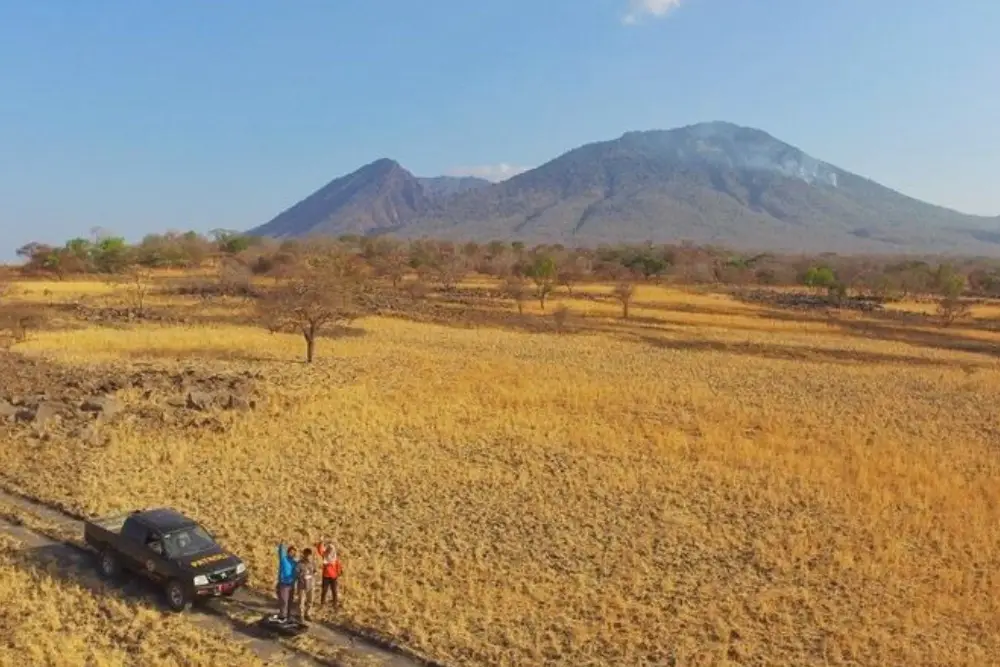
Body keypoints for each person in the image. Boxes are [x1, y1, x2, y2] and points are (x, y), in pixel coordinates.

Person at [315, 538, 343, 608]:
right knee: (324, 590)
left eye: (331, 549)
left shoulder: (335, 558)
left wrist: (338, 573)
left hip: (334, 577)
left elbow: (338, 566)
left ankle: (335, 603)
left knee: (334, 591)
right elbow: (319, 550)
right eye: (329, 549)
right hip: (326, 576)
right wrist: (321, 542)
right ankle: (322, 603)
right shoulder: (325, 555)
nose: (330, 550)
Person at [276, 543, 298, 621]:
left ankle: (288, 616)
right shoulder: (283, 559)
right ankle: (282, 616)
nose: (292, 554)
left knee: (290, 602)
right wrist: (282, 544)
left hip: (291, 585)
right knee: (284, 601)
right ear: (287, 552)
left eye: (294, 553)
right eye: (291, 552)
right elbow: (281, 550)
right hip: (283, 584)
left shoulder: (295, 562)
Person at [296, 547, 317, 621]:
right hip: (302, 585)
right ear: (304, 555)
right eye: (307, 555)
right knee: (301, 601)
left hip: (311, 585)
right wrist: (302, 575)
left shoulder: (313, 563)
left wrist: (312, 575)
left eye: (309, 555)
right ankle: (301, 615)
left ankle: (308, 614)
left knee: (310, 600)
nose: (308, 556)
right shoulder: (299, 563)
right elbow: (296, 573)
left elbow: (315, 571)